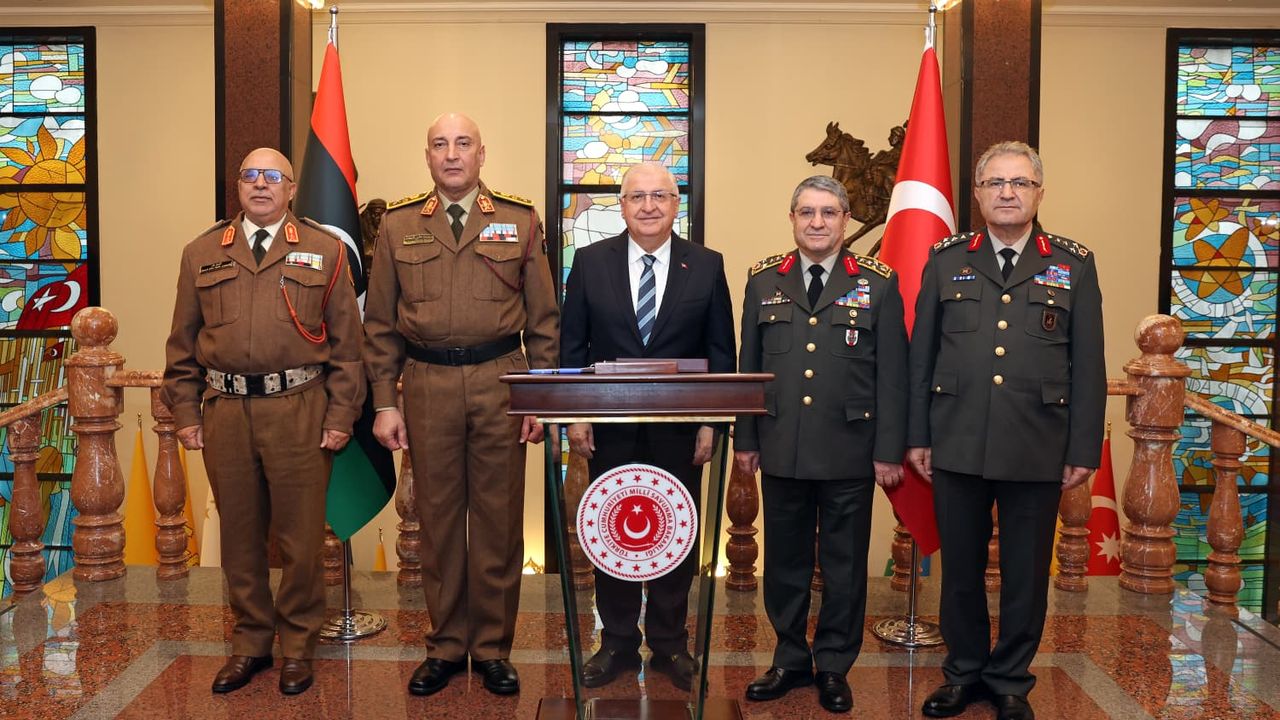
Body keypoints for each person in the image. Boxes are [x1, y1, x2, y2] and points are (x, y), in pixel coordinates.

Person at [907, 141, 1105, 720]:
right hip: (957, 439)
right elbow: (922, 357)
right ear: (977, 194)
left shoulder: (1072, 263)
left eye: (1020, 183)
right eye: (995, 183)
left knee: (1025, 574)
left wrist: (1082, 447)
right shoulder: (947, 259)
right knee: (960, 572)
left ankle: (1011, 679)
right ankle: (963, 673)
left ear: (1040, 193)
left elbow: (1088, 363)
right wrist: (918, 435)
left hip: (1037, 443)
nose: (1008, 193)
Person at [363, 112, 559, 698]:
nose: (451, 154)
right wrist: (384, 402)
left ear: (481, 154)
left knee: (499, 522)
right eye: (440, 144)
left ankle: (493, 649)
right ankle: (446, 646)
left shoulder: (519, 219)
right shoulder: (399, 225)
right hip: (426, 383)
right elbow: (379, 325)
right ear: (427, 156)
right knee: (439, 522)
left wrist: (539, 398)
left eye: (463, 143)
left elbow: (544, 321)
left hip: (502, 381)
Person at [162, 147, 366, 696]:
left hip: (300, 410)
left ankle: (298, 645)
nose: (260, 184)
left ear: (291, 189)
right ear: (238, 186)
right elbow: (181, 344)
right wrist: (186, 412)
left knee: (302, 540)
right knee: (239, 537)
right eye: (250, 175)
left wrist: (341, 415)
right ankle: (251, 641)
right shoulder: (201, 252)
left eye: (272, 176)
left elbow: (349, 348)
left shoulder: (325, 250)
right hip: (226, 413)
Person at [734, 175, 908, 714]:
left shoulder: (877, 283)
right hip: (781, 444)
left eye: (828, 212)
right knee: (784, 563)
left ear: (845, 220)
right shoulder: (764, 280)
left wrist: (889, 448)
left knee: (844, 565)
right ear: (792, 219)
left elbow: (894, 375)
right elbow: (748, 367)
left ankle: (833, 664)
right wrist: (746, 437)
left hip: (850, 448)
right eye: (806, 212)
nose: (817, 222)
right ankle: (789, 659)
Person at [560, 161, 736, 691]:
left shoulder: (706, 265)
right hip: (609, 428)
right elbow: (573, 347)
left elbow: (721, 351)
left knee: (675, 533)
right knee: (611, 532)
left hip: (680, 430)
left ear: (677, 204)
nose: (649, 206)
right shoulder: (590, 262)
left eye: (660, 195)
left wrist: (710, 423)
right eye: (637, 196)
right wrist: (576, 416)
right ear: (622, 205)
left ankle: (669, 643)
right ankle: (615, 641)